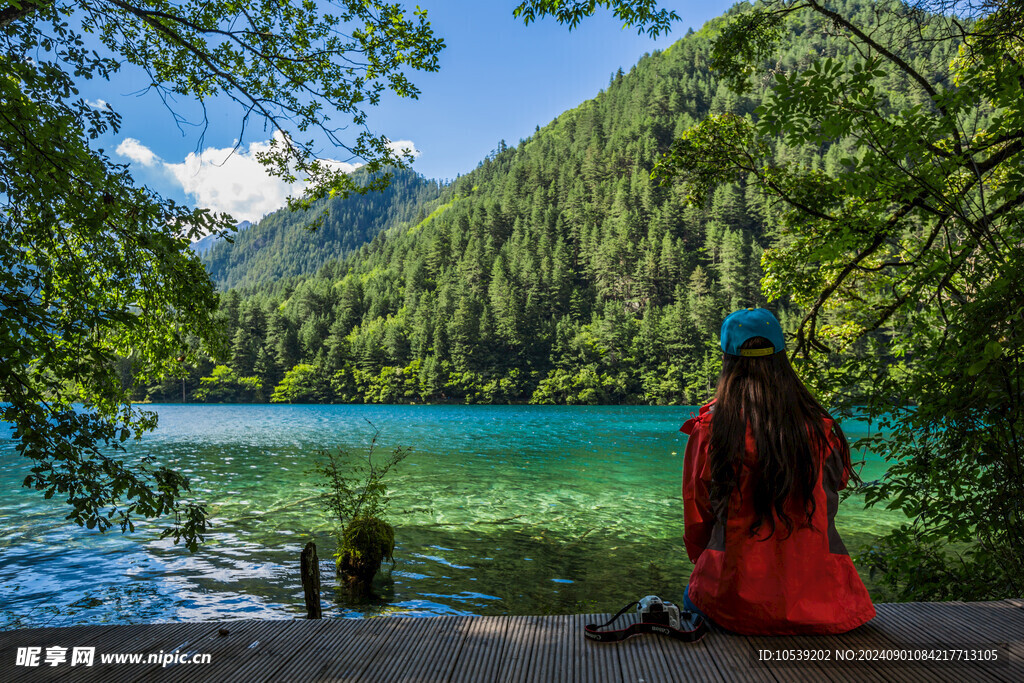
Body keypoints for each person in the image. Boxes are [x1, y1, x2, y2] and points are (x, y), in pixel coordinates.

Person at [679, 307, 875, 635]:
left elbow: (697, 517)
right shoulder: (821, 429)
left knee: (693, 596)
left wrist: (709, 564)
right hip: (825, 604)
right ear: (782, 358)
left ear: (727, 361)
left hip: (733, 604)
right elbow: (835, 487)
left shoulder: (711, 431)